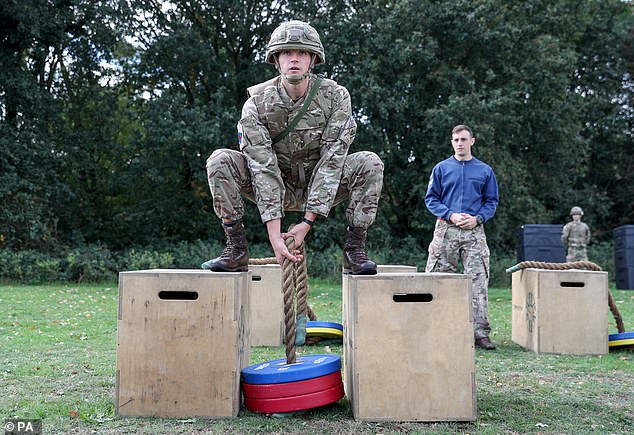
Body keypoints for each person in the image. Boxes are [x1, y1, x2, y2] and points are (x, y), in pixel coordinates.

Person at [201, 20, 384, 275]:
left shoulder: (336, 97)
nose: (294, 59)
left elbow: (332, 160)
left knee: (369, 163)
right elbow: (262, 167)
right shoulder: (257, 103)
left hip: (317, 185)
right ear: (277, 60)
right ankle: (236, 247)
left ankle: (355, 249)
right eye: (287, 52)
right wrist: (275, 237)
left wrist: (307, 223)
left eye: (302, 53)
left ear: (313, 59)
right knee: (219, 160)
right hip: (275, 183)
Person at [424, 125, 499, 350]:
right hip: (446, 230)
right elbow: (431, 199)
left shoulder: (484, 171)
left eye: (464, 139)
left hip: (474, 232)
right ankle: (433, 327)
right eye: (456, 139)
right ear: (452, 142)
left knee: (478, 281)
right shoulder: (441, 168)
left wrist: (478, 219)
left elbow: (492, 201)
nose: (460, 143)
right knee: (437, 279)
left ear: (472, 141)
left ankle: (480, 333)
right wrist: (451, 214)